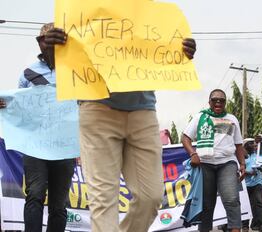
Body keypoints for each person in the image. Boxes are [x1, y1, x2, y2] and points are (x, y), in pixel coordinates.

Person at [43, 26, 196, 231]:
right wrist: (53, 50)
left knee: (150, 197)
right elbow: (61, 66)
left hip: (142, 110)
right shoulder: (82, 14)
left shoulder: (143, 14)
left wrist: (181, 53)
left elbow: (162, 56)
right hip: (96, 108)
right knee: (103, 200)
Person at [0, 23, 77, 232]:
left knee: (59, 203)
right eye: (45, 39)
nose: (48, 43)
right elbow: (18, 105)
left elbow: (86, 105)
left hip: (64, 148)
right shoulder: (28, 73)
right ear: (40, 43)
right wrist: (5, 104)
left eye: (53, 39)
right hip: (35, 147)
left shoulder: (75, 72)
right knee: (34, 195)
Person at [182, 89, 246, 232]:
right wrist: (193, 153)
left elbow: (238, 144)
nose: (218, 102)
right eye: (215, 99)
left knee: (231, 200)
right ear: (209, 102)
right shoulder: (200, 117)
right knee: (206, 204)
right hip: (205, 164)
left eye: (222, 100)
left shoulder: (232, 119)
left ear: (225, 103)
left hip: (227, 163)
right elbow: (185, 138)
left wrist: (242, 164)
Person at [242, 138, 262, 232]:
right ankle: (245, 226)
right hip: (245, 184)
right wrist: (249, 172)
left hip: (258, 182)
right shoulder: (242, 156)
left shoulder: (258, 155)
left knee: (259, 203)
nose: (254, 145)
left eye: (254, 143)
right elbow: (238, 170)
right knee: (246, 204)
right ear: (245, 146)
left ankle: (261, 224)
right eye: (251, 143)